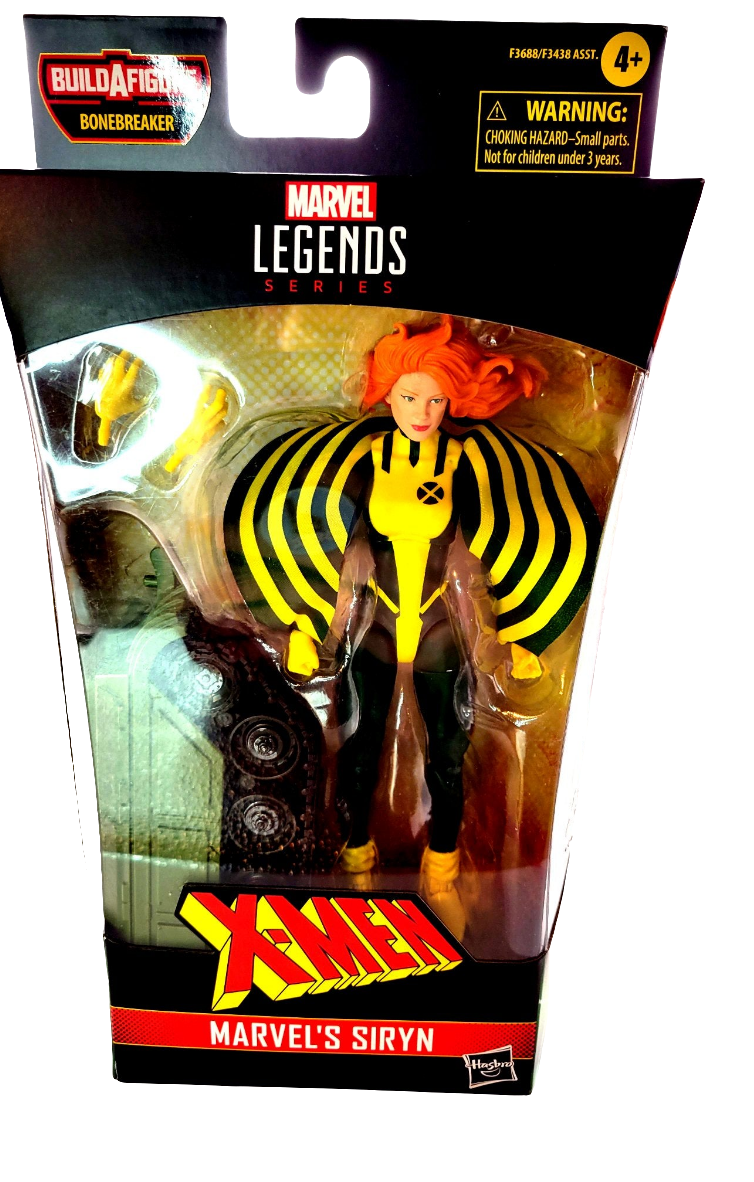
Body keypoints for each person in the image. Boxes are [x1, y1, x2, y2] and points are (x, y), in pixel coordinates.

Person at [222, 315, 600, 937]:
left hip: (438, 627)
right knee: (360, 753)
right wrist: (306, 629)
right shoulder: (365, 458)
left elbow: (485, 554)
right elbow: (337, 552)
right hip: (372, 624)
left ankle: (442, 867)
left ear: (453, 401)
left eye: (435, 399)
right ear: (387, 395)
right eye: (409, 396)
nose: (422, 411)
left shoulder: (465, 461)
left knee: (448, 757)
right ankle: (356, 862)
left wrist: (513, 640)